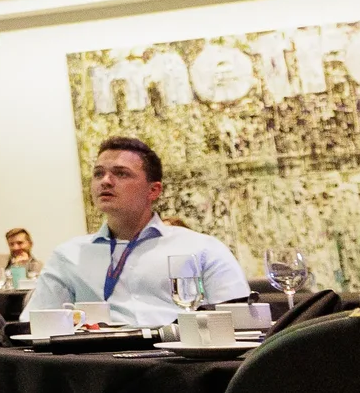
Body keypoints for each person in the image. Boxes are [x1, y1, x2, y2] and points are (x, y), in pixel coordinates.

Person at [29, 136, 249, 326]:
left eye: (121, 174)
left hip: (179, 363)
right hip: (98, 366)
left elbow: (241, 321)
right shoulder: (68, 255)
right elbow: (36, 323)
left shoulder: (201, 248)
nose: (105, 181)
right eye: (98, 174)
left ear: (153, 190)